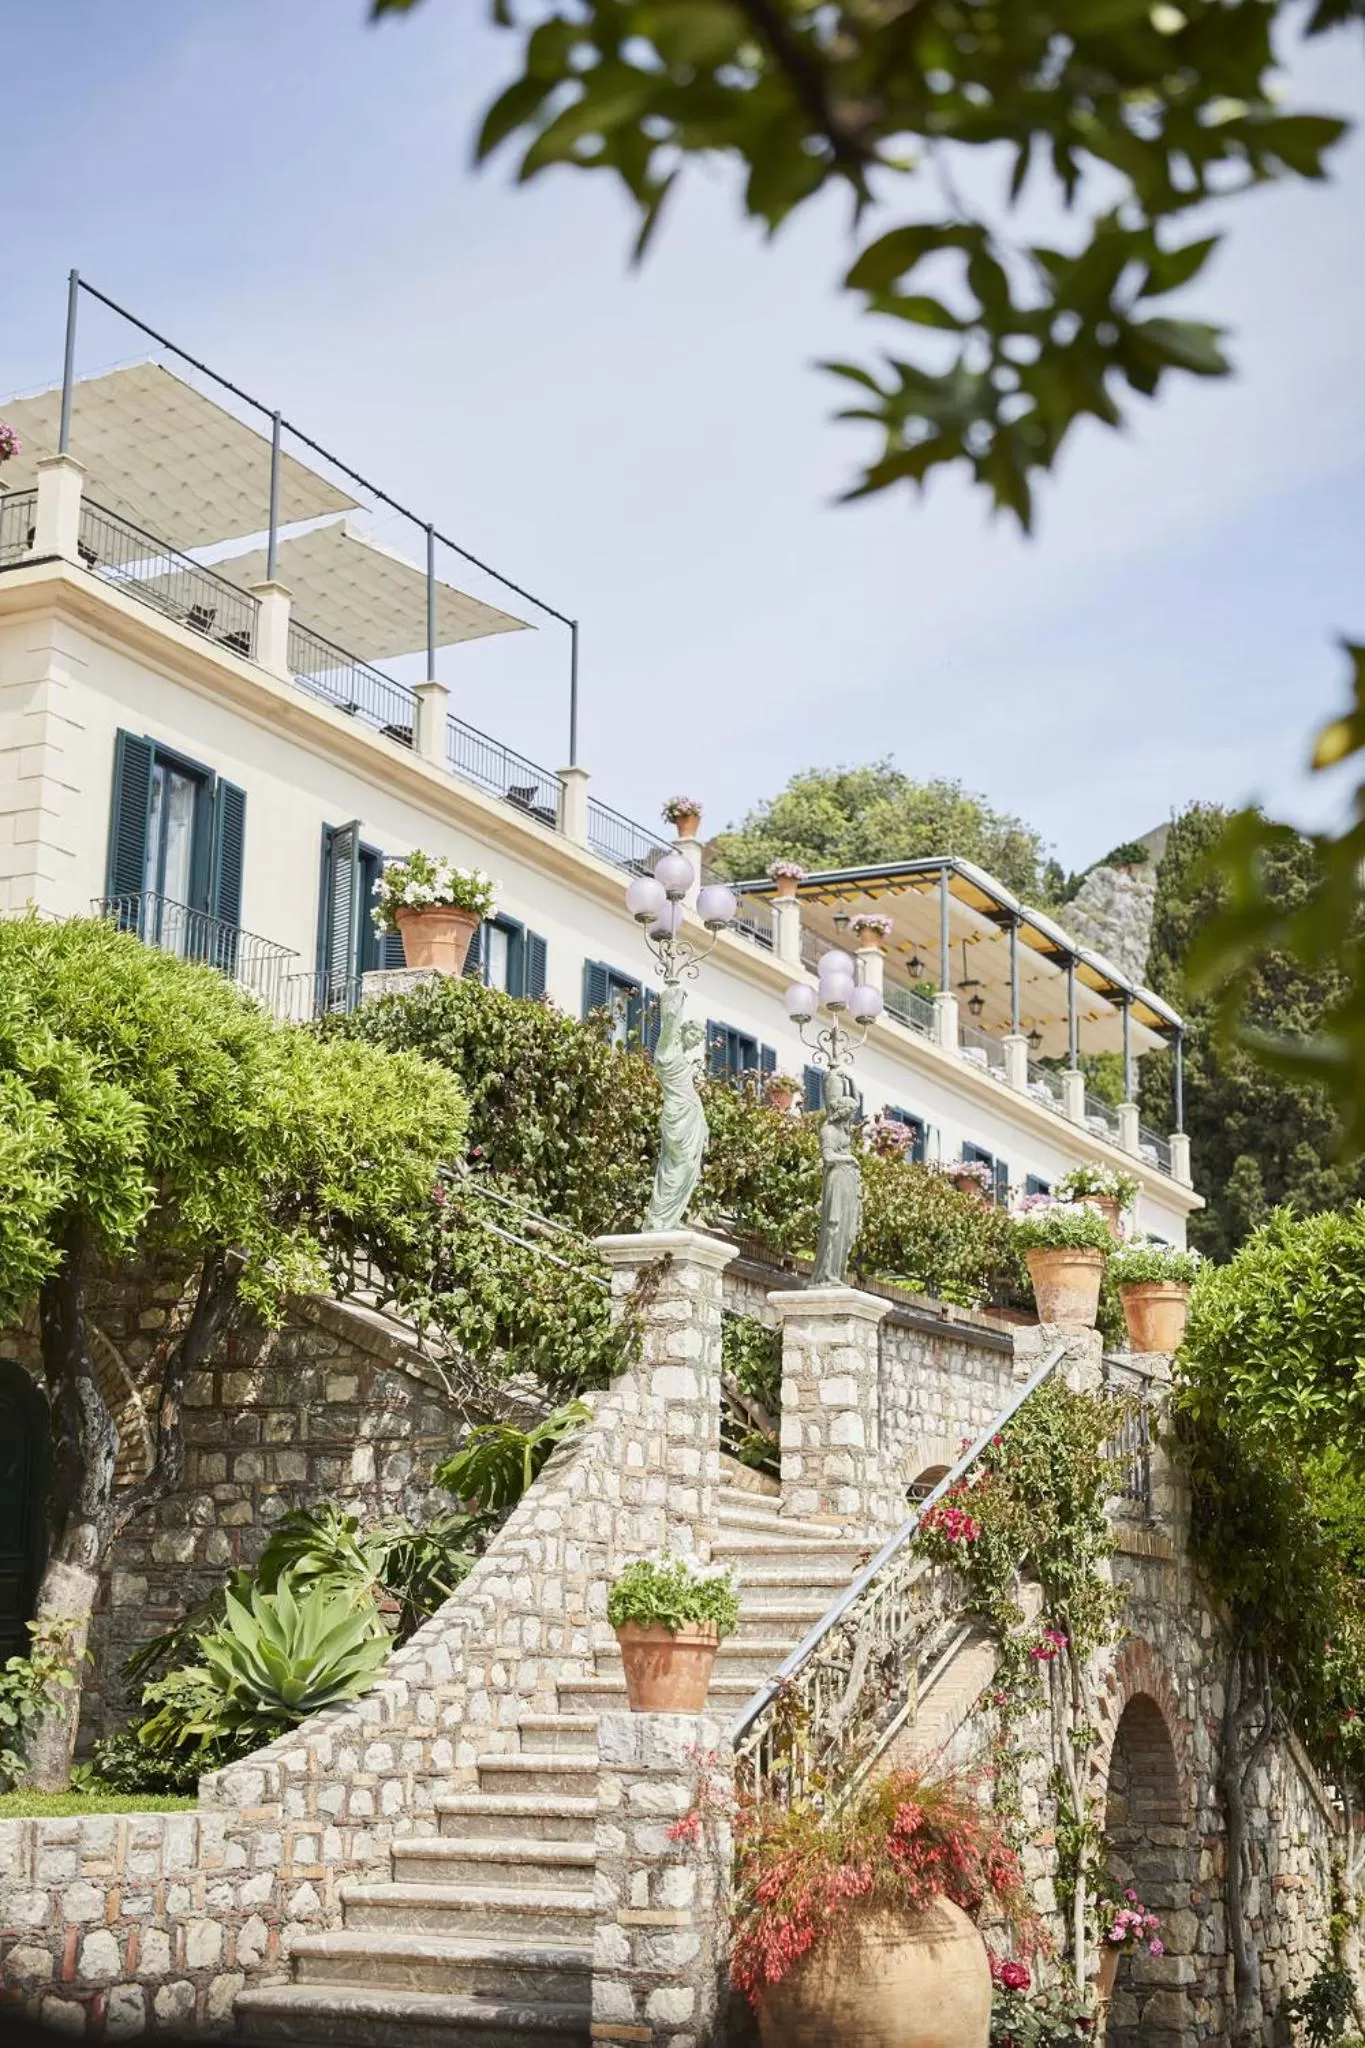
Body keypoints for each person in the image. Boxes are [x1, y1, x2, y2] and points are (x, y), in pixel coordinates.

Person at [642, 982, 708, 1231]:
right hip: (677, 1115)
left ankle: (669, 1218)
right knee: (676, 1166)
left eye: (700, 1038)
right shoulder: (668, 1048)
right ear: (684, 1030)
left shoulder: (681, 1055)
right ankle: (659, 1219)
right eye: (694, 1034)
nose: (696, 1040)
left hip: (691, 1116)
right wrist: (674, 996)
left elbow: (691, 1092)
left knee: (687, 1167)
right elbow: (669, 1020)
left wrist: (703, 1124)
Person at [811, 1065, 862, 1284]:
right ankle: (827, 1273)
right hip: (837, 1179)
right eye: (849, 1113)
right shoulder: (829, 1130)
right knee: (834, 1225)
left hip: (848, 1181)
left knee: (846, 1230)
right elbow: (828, 1157)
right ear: (841, 1112)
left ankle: (837, 1273)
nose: (852, 1116)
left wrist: (850, 1080)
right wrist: (849, 1159)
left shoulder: (843, 1129)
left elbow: (856, 1102)